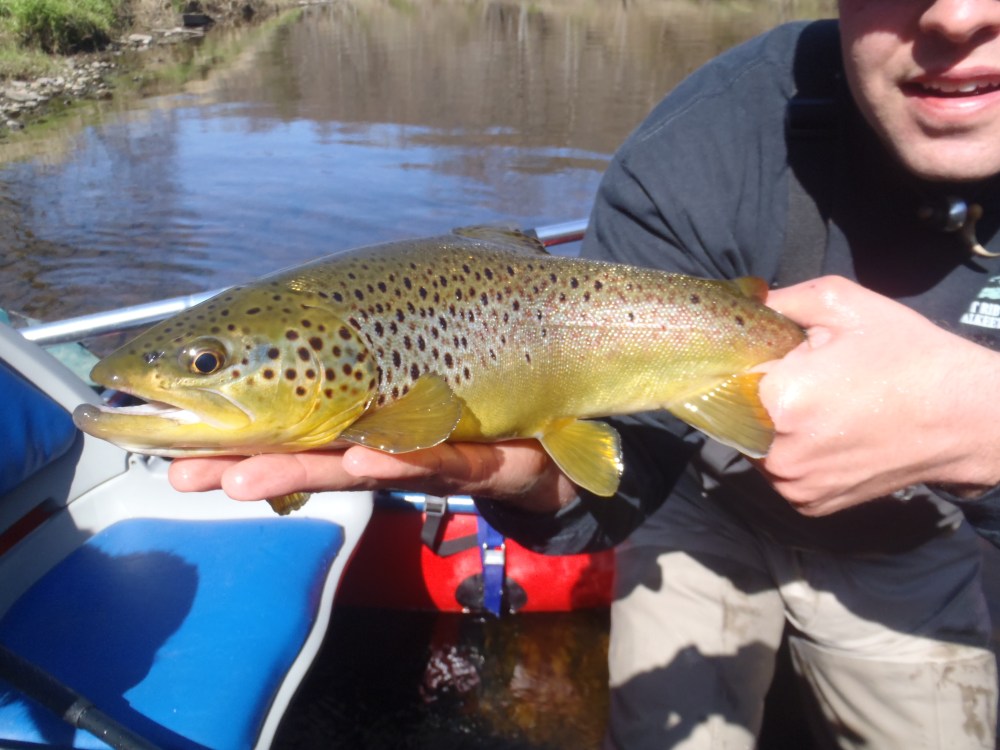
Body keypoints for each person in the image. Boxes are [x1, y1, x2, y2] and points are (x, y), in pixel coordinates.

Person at [169, 1, 1000, 746]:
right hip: (701, 503)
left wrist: (977, 424)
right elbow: (628, 463)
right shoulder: (704, 145)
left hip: (914, 525)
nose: (957, 16)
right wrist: (546, 488)